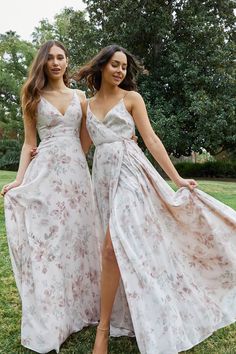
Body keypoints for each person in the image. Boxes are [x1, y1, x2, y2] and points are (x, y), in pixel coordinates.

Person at [76, 44, 236, 354]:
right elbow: (80, 148)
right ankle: (141, 311)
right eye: (115, 65)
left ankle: (104, 331)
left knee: (112, 248)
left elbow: (151, 138)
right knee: (125, 249)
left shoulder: (132, 99)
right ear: (102, 66)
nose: (121, 70)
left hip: (132, 174)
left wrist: (176, 178)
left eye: (124, 66)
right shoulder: (86, 105)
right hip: (103, 179)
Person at [1, 40, 100, 353]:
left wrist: (69, 159)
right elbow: (29, 142)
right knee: (49, 245)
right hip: (43, 175)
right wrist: (19, 181)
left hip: (75, 178)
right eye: (50, 58)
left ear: (66, 61)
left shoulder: (81, 97)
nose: (56, 63)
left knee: (79, 240)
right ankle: (53, 317)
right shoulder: (32, 96)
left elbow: (85, 139)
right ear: (42, 63)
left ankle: (81, 310)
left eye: (61, 57)